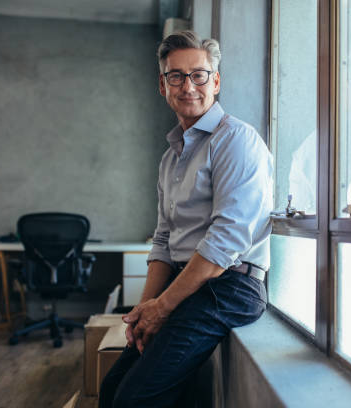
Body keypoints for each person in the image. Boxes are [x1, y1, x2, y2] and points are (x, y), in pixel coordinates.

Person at [99, 30, 273, 407]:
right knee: (112, 388)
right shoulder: (171, 157)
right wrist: (143, 312)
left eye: (199, 74)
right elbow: (163, 240)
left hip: (229, 286)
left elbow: (225, 240)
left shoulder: (237, 140)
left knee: (134, 399)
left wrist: (163, 307)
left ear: (216, 81)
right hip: (185, 282)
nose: (188, 85)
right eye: (176, 76)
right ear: (162, 86)